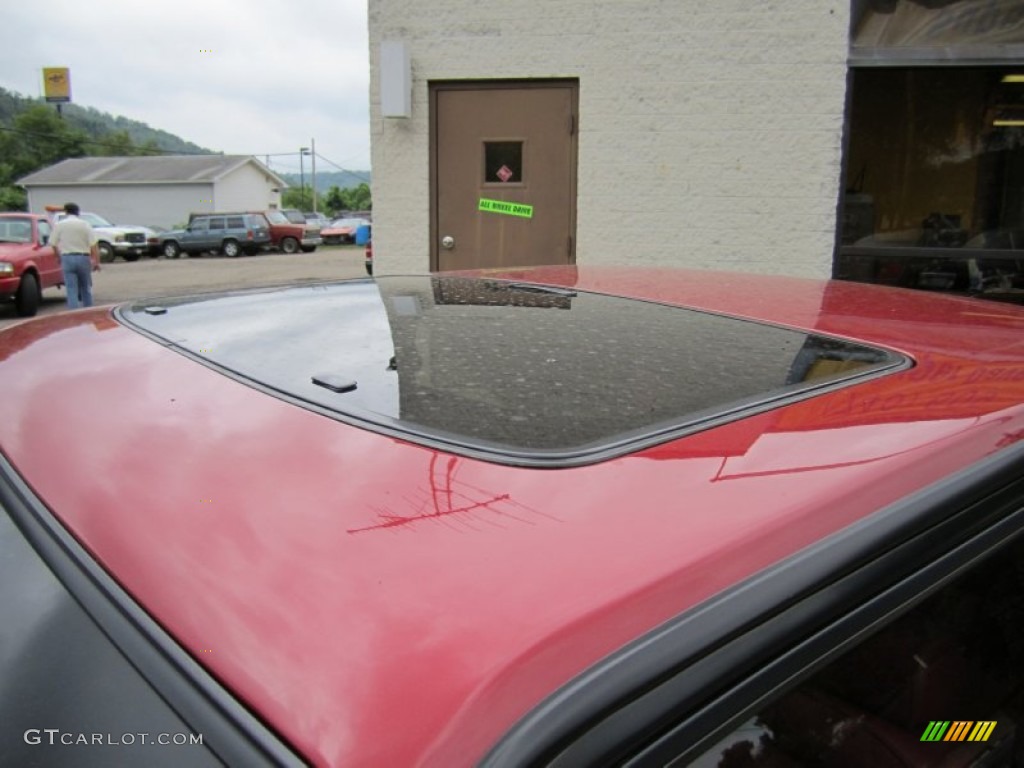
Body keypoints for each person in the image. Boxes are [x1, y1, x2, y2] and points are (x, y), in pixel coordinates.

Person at [49, 202, 100, 309]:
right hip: (83, 257)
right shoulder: (85, 224)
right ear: (78, 212)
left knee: (71, 288)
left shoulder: (60, 225)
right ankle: (88, 309)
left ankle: (73, 311)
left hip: (67, 257)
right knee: (85, 287)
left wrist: (58, 257)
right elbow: (94, 245)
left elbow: (53, 243)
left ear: (66, 212)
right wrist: (96, 261)